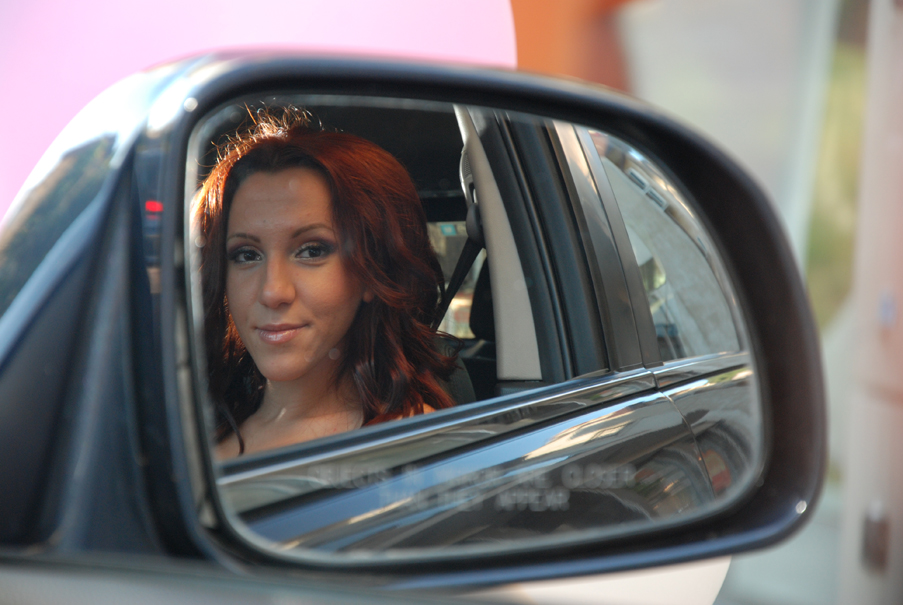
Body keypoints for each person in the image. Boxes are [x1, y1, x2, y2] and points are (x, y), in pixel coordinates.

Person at [194, 109, 458, 459]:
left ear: (371, 274)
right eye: (246, 255)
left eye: (312, 251)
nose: (272, 292)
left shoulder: (412, 445)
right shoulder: (189, 429)